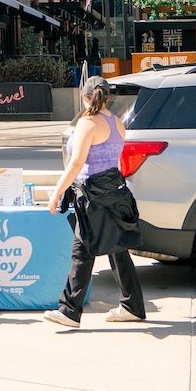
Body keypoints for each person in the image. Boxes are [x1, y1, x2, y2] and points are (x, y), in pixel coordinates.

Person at [43, 77, 146, 328]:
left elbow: (77, 163)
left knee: (83, 249)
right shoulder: (117, 123)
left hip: (92, 195)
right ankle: (132, 306)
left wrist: (57, 192)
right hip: (113, 190)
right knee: (117, 249)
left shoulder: (87, 123)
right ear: (107, 96)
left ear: (84, 95)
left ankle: (69, 311)